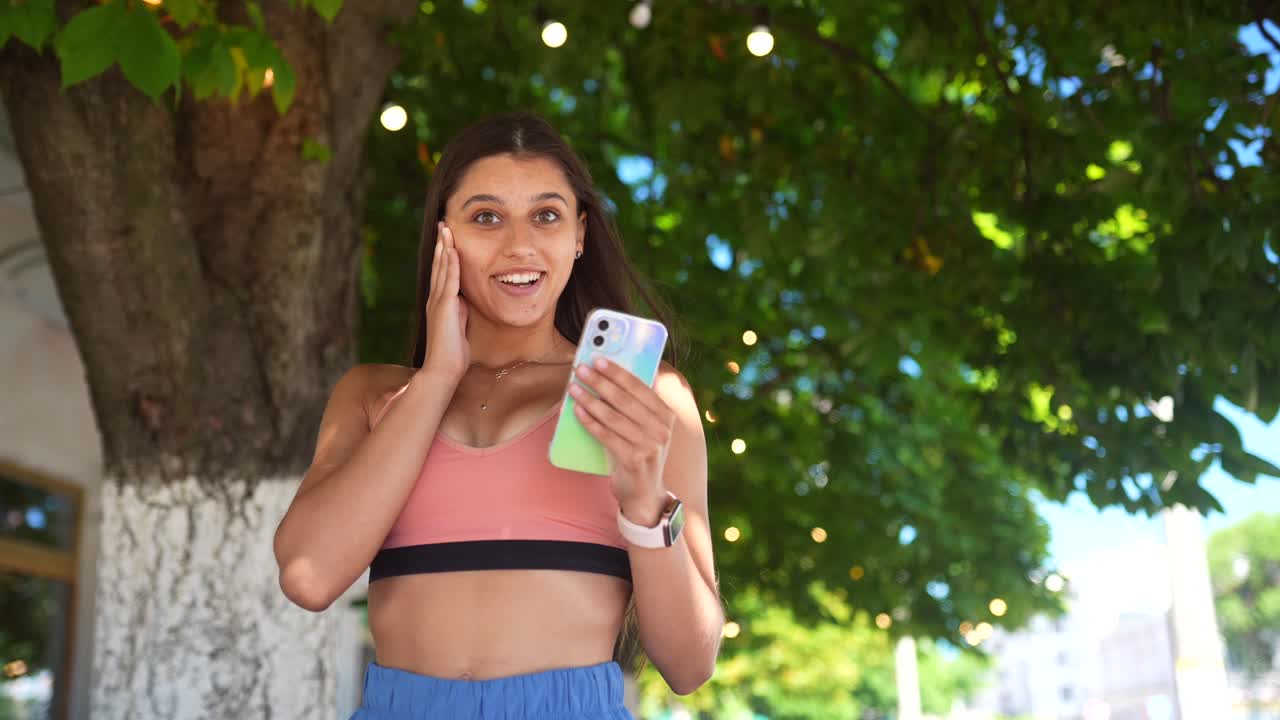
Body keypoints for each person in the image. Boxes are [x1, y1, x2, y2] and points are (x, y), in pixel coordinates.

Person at [273, 112, 723, 719]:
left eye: (547, 215)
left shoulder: (642, 394)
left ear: (580, 234)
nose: (520, 245)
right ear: (444, 235)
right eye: (486, 216)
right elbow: (308, 576)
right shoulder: (372, 395)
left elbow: (691, 666)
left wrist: (645, 505)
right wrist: (436, 378)